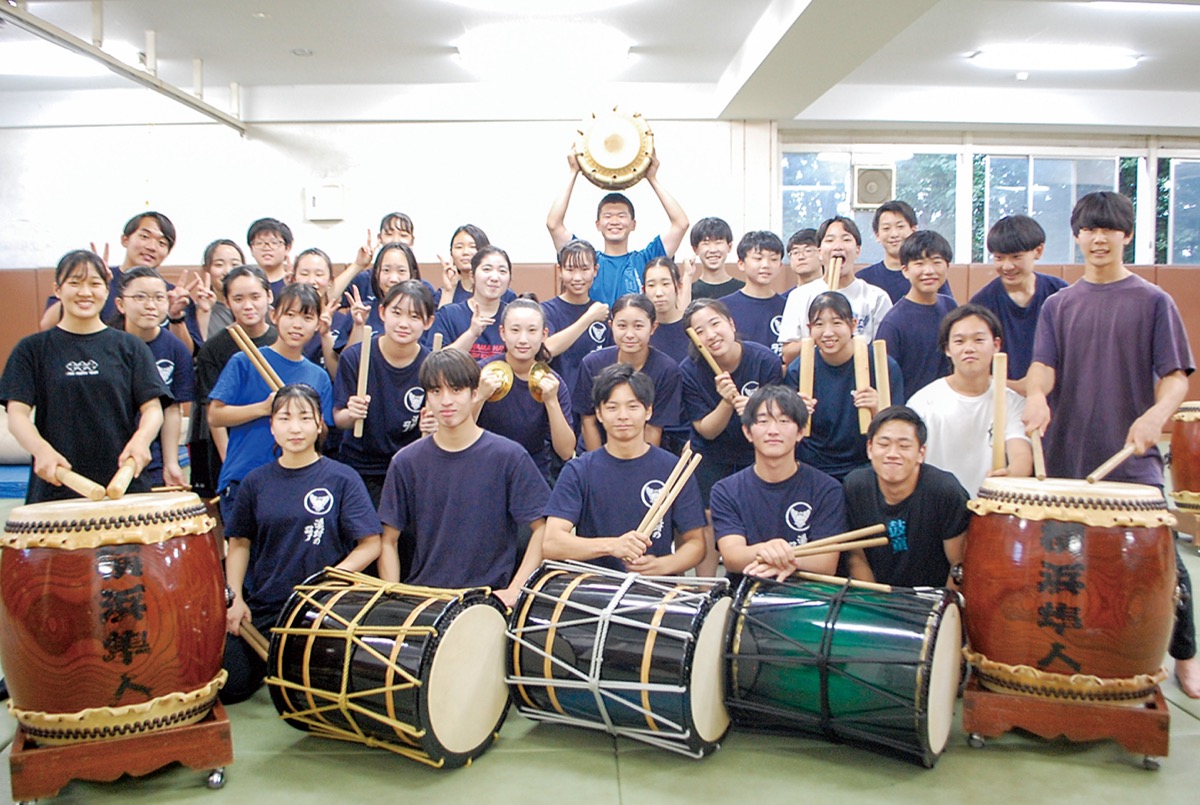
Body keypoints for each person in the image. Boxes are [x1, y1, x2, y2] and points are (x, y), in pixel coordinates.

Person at [1023, 190, 1199, 697]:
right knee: (1068, 569)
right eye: (1089, 230)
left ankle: (1184, 655)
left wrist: (1156, 414)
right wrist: (1035, 395)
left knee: (1161, 563)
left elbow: (1175, 378)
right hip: (1066, 459)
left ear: (1126, 235)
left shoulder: (1153, 301)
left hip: (1131, 458)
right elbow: (1042, 370)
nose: (1099, 239)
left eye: (1110, 230)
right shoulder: (1059, 305)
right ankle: (1076, 660)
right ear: (1076, 236)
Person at [221, 383, 381, 704]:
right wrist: (235, 598)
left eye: (305, 418)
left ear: (320, 423)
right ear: (271, 426)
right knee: (230, 686)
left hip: (323, 609)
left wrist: (328, 580)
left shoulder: (342, 478)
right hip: (268, 609)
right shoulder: (255, 482)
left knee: (328, 692)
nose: (295, 428)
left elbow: (370, 544)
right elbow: (239, 543)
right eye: (284, 418)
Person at [378, 349, 551, 607]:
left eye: (456, 390)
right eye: (436, 391)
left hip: (487, 601)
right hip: (424, 600)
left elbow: (542, 528)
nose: (446, 401)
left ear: (474, 393)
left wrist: (515, 590)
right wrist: (393, 594)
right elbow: (388, 539)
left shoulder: (509, 456)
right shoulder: (406, 462)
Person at [2, 250, 168, 503]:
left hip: (123, 486)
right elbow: (16, 415)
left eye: (94, 283)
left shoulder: (130, 347)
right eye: (75, 283)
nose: (85, 292)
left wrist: (141, 441)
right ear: (58, 290)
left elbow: (153, 409)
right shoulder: (32, 349)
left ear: (107, 290)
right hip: (56, 484)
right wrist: (41, 451)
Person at [543, 363, 706, 575]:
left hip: (656, 589)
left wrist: (662, 566)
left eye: (632, 406)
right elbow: (552, 543)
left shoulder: (673, 469)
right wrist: (612, 546)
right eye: (612, 407)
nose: (623, 416)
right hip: (595, 589)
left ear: (648, 411)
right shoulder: (579, 470)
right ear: (599, 414)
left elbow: (696, 543)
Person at [208, 282, 334, 520]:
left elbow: (323, 430)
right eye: (289, 314)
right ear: (274, 315)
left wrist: (305, 417)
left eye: (307, 317)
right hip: (243, 477)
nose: (297, 324)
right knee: (243, 553)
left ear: (318, 324)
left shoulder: (318, 376)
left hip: (295, 480)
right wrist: (264, 408)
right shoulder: (244, 361)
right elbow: (215, 415)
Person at [681, 298, 784, 574]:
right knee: (708, 519)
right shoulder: (689, 371)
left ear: (731, 323)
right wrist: (726, 402)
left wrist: (754, 411)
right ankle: (707, 591)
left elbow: (776, 418)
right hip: (713, 453)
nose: (711, 335)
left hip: (757, 452)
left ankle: (757, 582)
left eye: (715, 323)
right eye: (700, 330)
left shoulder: (764, 360)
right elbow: (706, 430)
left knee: (758, 515)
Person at [711, 385, 848, 581]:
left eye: (784, 421)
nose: (773, 430)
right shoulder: (725, 490)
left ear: (800, 431)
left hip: (809, 595)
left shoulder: (827, 489)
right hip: (745, 594)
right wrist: (766, 550)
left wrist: (781, 556)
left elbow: (825, 563)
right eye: (763, 421)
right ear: (748, 432)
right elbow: (733, 557)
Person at [907, 304, 1031, 495]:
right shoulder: (923, 402)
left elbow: (1021, 455)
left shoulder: (1012, 402)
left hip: (991, 505)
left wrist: (1010, 476)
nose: (969, 348)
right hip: (938, 507)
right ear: (947, 349)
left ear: (996, 345)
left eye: (979, 340)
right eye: (959, 341)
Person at [844, 406, 970, 589]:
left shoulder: (945, 491)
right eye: (884, 444)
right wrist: (875, 602)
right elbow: (856, 555)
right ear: (870, 448)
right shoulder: (855, 487)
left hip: (933, 599)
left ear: (921, 453)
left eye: (904, 446)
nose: (893, 454)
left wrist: (942, 612)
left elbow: (958, 565)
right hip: (878, 598)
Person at [784, 292, 904, 481]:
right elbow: (787, 434)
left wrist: (878, 409)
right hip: (815, 466)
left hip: (866, 465)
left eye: (837, 323)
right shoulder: (798, 370)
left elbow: (899, 428)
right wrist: (795, 414)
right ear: (809, 329)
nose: (828, 332)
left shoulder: (881, 366)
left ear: (853, 325)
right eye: (819, 324)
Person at [334, 280, 435, 506]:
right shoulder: (355, 358)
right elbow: (339, 419)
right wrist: (352, 414)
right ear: (382, 312)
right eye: (396, 313)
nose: (403, 323)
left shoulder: (432, 365)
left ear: (428, 322)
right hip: (361, 467)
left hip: (411, 466)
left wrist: (436, 425)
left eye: (414, 317)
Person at [547, 151, 689, 306]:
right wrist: (573, 173)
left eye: (621, 216)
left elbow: (681, 224)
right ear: (598, 224)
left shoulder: (646, 259)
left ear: (633, 224)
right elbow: (554, 225)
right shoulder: (587, 261)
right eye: (607, 216)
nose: (614, 221)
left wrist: (652, 178)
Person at [190, 266, 278, 498]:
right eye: (238, 299)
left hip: (279, 452)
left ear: (269, 297)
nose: (247, 306)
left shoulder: (283, 339)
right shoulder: (214, 349)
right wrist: (230, 464)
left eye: (255, 297)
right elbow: (215, 415)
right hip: (236, 453)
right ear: (227, 302)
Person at [476, 299, 576, 483]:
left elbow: (566, 451)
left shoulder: (553, 382)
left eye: (532, 331)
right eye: (515, 330)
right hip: (484, 468)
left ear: (544, 334)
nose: (523, 339)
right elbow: (458, 426)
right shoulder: (481, 373)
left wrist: (551, 401)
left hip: (533, 472)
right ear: (502, 333)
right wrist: (480, 397)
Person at [111, 266, 194, 488]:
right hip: (108, 455)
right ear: (120, 304)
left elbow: (172, 408)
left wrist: (171, 463)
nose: (150, 305)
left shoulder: (176, 348)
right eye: (140, 297)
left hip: (151, 459)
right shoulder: (106, 345)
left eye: (159, 298)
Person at [970, 214, 1068, 395]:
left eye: (1016, 257)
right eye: (999, 258)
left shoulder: (1060, 294)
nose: (1007, 266)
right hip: (1000, 401)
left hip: (1056, 400)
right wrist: (1017, 387)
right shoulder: (981, 304)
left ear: (1038, 251)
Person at [573, 294, 683, 452]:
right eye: (622, 326)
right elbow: (588, 420)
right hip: (598, 450)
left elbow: (654, 428)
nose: (629, 334)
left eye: (638, 326)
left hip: (646, 453)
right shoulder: (592, 364)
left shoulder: (667, 370)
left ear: (653, 327)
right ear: (611, 326)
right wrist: (597, 464)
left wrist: (639, 467)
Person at [779, 216, 892, 363]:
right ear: (820, 252)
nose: (838, 246)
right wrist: (820, 335)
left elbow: (883, 353)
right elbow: (787, 355)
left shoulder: (876, 297)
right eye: (830, 240)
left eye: (846, 239)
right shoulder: (799, 296)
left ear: (858, 250)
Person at [39, 211, 178, 331]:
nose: (151, 247)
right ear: (125, 240)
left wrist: (177, 316)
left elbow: (188, 352)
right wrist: (93, 283)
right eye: (144, 237)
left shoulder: (172, 294)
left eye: (162, 243)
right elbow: (47, 325)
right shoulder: (96, 280)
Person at [875, 230, 958, 395]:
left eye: (936, 262)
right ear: (905, 270)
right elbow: (884, 382)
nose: (929, 271)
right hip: (909, 413)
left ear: (947, 267)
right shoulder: (893, 323)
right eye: (919, 263)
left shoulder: (951, 307)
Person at [542, 239, 611, 402]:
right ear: (559, 270)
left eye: (585, 269)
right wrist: (588, 318)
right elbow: (546, 349)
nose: (577, 277)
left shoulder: (603, 312)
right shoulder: (546, 311)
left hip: (594, 403)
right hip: (557, 401)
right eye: (570, 270)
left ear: (595, 270)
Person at [857, 200, 952, 302]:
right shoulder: (864, 279)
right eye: (886, 228)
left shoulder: (928, 275)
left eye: (900, 226)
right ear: (877, 235)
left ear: (913, 230)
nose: (894, 234)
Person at [428, 245, 512, 361]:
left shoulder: (513, 317)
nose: (494, 277)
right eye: (487, 269)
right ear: (472, 276)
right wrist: (472, 334)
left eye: (502, 271)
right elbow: (435, 363)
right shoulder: (448, 315)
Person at [718, 231, 787, 358]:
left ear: (780, 266)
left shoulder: (788, 306)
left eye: (773, 259)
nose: (766, 265)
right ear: (741, 264)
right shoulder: (723, 307)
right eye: (758, 258)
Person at [291, 247, 353, 379]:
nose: (311, 281)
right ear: (294, 279)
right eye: (304, 274)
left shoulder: (342, 321)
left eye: (319, 275)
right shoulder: (286, 320)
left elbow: (342, 374)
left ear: (330, 281)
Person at [186, 239, 244, 346]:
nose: (227, 271)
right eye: (219, 265)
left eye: (235, 265)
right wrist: (204, 312)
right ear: (206, 270)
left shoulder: (258, 307)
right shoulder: (196, 311)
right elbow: (198, 352)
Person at [644, 256, 690, 364]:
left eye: (665, 284)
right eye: (651, 285)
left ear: (678, 287)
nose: (659, 293)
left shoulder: (692, 327)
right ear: (643, 290)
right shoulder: (641, 330)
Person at [688, 217, 743, 299]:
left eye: (718, 242)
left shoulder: (742, 290)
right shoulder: (689, 292)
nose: (713, 250)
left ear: (729, 246)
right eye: (706, 243)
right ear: (695, 249)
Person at [246, 217, 294, 297]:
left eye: (274, 243)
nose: (266, 248)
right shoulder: (245, 283)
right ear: (251, 249)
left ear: (287, 248)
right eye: (259, 243)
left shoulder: (293, 282)